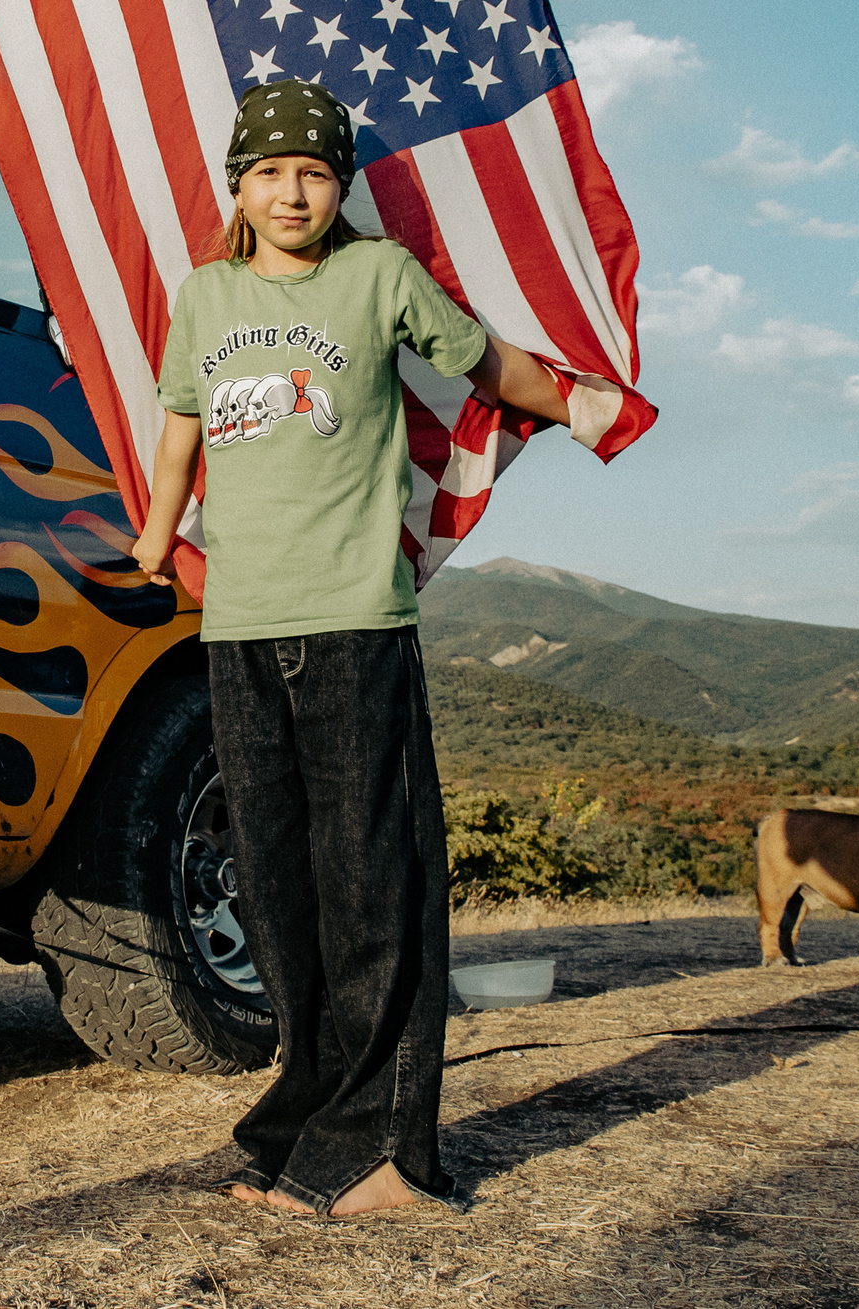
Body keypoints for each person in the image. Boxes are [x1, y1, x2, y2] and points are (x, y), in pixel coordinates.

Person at [129, 77, 573, 1219]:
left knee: (372, 884)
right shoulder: (206, 295)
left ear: (338, 188)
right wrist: (151, 531)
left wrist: (573, 404)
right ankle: (306, 1125)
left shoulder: (376, 278)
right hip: (240, 628)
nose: (291, 190)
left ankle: (390, 1158)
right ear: (239, 185)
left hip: (353, 622)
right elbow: (179, 429)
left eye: (314, 171)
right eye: (270, 170)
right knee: (279, 893)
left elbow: (484, 364)